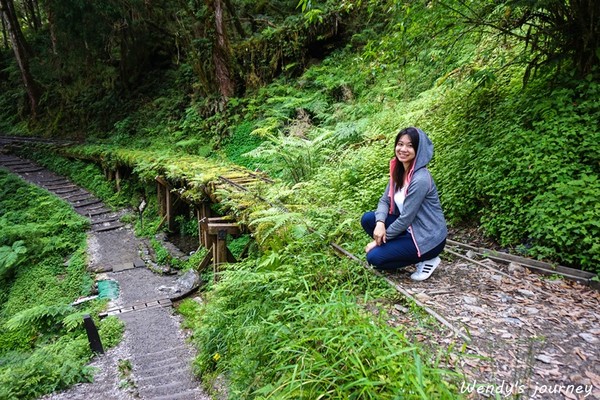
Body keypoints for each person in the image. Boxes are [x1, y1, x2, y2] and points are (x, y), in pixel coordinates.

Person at [361, 127, 447, 281]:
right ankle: (397, 248)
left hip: (426, 235)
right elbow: (384, 200)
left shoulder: (420, 179)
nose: (403, 149)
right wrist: (380, 223)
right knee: (369, 219)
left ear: (419, 149)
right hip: (408, 229)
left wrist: (376, 242)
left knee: (374, 258)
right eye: (400, 144)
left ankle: (427, 258)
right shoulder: (399, 170)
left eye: (410, 146)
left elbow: (406, 218)